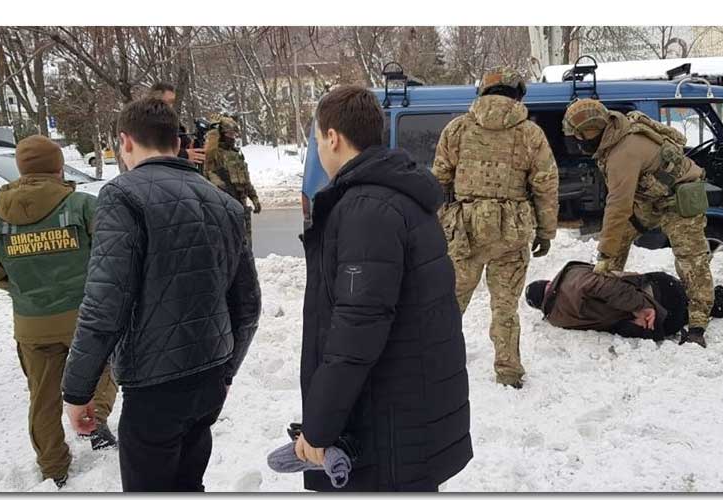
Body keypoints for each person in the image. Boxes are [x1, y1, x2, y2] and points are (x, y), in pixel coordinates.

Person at [60, 98, 262, 492]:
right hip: (208, 376)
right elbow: (248, 306)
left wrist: (77, 390)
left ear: (125, 141)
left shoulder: (122, 196)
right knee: (189, 484)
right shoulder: (224, 203)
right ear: (178, 142)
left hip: (155, 387)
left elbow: (104, 305)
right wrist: (226, 371)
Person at [295, 85, 471, 491]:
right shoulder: (396, 197)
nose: (319, 148)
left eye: (318, 139)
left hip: (388, 427)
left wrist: (318, 428)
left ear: (333, 138)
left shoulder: (367, 211)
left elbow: (356, 331)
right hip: (408, 412)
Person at [0, 135, 118, 489]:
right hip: (86, 318)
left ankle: (53, 467)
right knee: (105, 369)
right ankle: (94, 421)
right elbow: (110, 256)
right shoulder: (83, 206)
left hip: (32, 325)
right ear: (58, 167)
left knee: (42, 398)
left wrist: (24, 291)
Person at [431, 66, 559, 389]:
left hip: (464, 232)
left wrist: (440, 225)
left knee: (449, 304)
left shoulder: (457, 129)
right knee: (505, 308)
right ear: (517, 95)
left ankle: (432, 365)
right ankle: (509, 371)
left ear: (483, 92)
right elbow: (545, 185)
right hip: (510, 234)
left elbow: (438, 182)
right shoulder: (530, 134)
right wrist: (546, 232)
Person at [562, 99, 715, 348]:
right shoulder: (612, 133)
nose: (576, 141)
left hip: (679, 197)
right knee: (618, 241)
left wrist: (604, 253)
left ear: (590, 132)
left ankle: (698, 324)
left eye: (578, 135)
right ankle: (607, 295)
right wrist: (608, 255)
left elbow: (618, 206)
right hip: (650, 198)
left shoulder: (623, 152)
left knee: (690, 260)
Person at [525, 261, 723, 340]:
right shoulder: (573, 280)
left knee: (704, 304)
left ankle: (722, 295)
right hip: (659, 297)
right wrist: (642, 307)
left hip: (657, 326)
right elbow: (609, 288)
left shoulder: (559, 319)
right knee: (703, 302)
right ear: (550, 283)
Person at [202, 115, 262, 247]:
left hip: (241, 205)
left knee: (246, 245)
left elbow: (245, 180)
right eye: (229, 134)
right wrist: (222, 189)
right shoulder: (214, 154)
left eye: (234, 134)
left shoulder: (236, 154)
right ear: (222, 134)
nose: (233, 137)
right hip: (225, 207)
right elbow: (208, 176)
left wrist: (254, 198)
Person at [149, 82, 206, 165]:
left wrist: (195, 145)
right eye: (168, 102)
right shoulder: (145, 121)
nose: (170, 106)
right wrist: (184, 155)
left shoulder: (172, 120)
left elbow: (184, 141)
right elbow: (153, 149)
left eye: (172, 102)